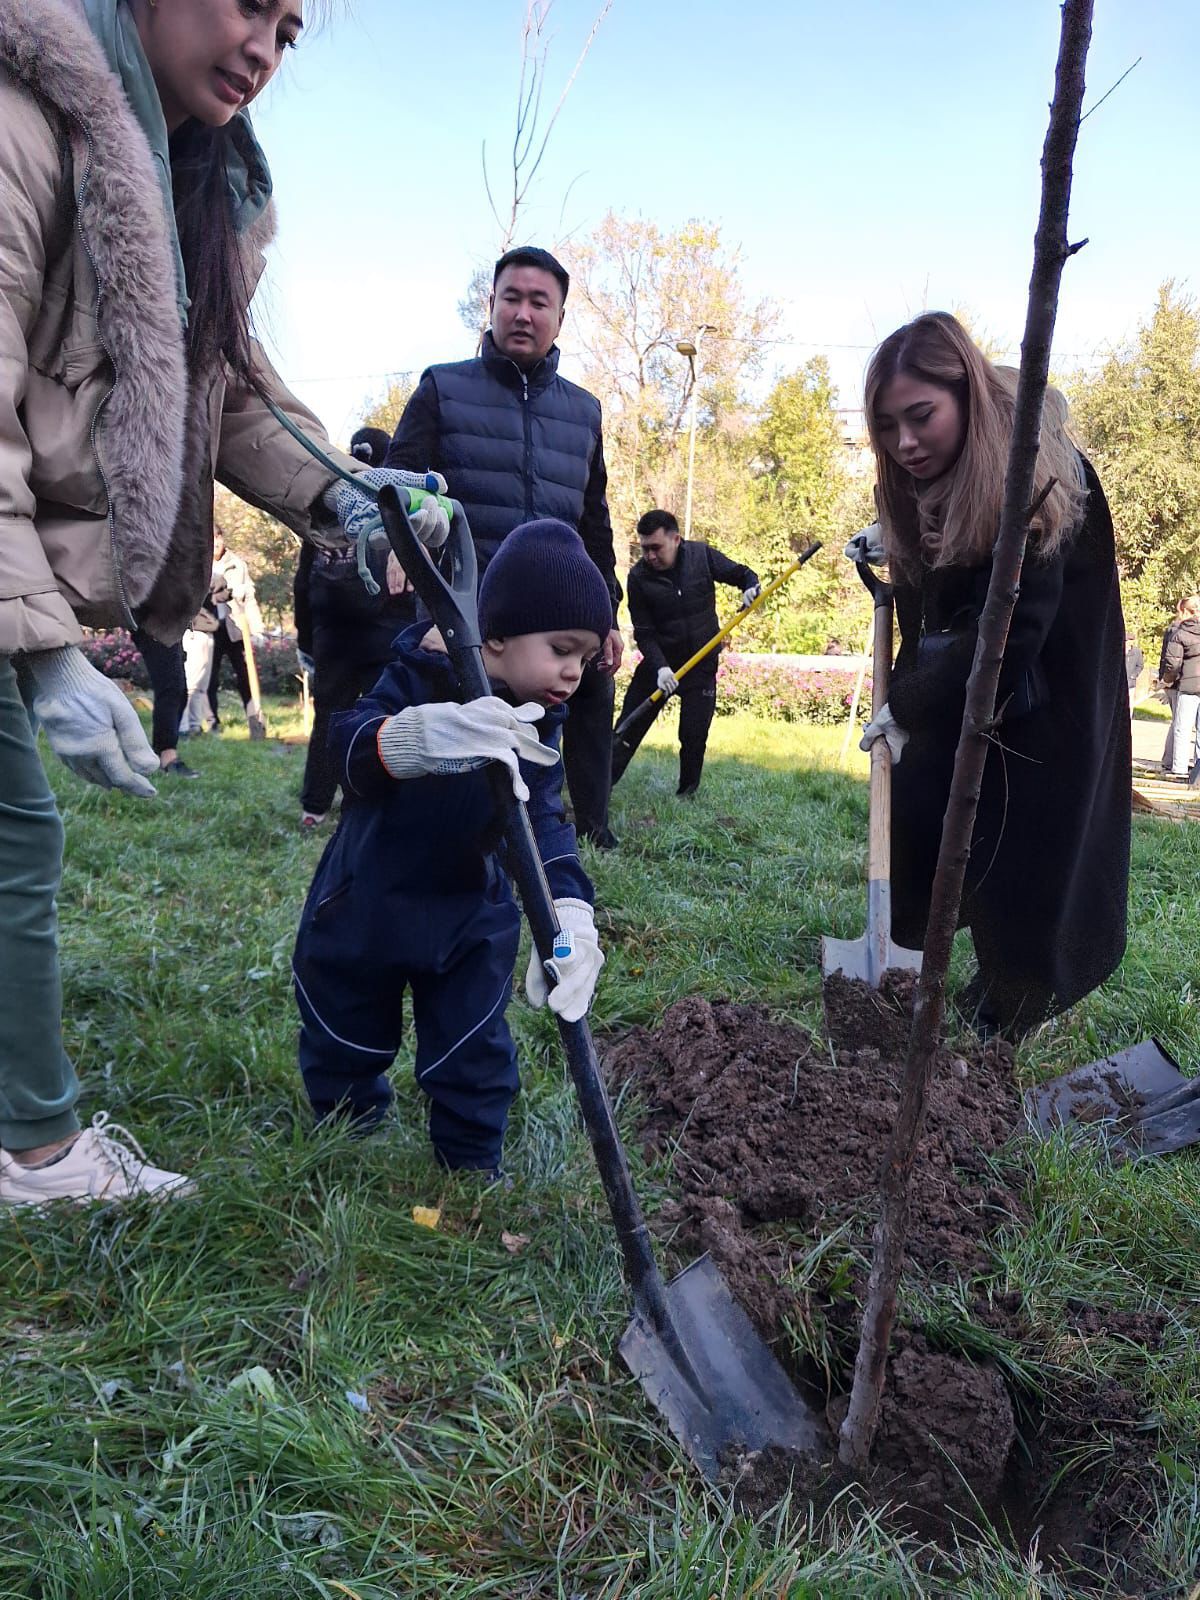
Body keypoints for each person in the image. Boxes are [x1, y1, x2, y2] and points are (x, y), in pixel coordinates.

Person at [0, 0, 444, 1205]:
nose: (264, 48)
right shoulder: (25, 114)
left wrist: (351, 490)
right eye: (250, 4)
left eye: (290, 32)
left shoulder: (197, 180)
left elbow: (231, 390)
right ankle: (35, 1152)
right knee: (16, 831)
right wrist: (42, 653)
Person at [292, 519, 611, 1177]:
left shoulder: (538, 724)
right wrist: (407, 741)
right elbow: (347, 745)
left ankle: (469, 1161)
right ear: (495, 635)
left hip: (469, 911)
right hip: (370, 894)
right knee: (344, 1026)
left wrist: (570, 920)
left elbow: (544, 825)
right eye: (561, 649)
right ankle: (346, 1134)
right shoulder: (417, 673)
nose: (574, 672)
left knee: (474, 1043)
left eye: (583, 657)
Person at [854, 312, 1130, 1038]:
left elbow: (1010, 635)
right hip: (977, 678)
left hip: (1050, 691)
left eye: (921, 417)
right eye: (887, 426)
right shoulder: (930, 470)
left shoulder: (1037, 470)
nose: (904, 443)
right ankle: (913, 975)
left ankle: (1010, 1015)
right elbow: (937, 611)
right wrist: (901, 552)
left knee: (1030, 858)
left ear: (968, 394)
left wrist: (909, 705)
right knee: (921, 810)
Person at [386, 246, 625, 848]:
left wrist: (610, 613)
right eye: (510, 299)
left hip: (556, 618)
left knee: (567, 720)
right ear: (490, 306)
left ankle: (583, 832)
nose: (523, 313)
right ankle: (453, 848)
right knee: (460, 752)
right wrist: (401, 542)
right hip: (463, 610)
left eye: (538, 302)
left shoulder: (584, 412)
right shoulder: (443, 388)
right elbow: (398, 482)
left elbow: (595, 523)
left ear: (560, 316)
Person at [295, 426, 417, 828]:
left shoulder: (330, 500)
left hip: (332, 634)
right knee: (388, 718)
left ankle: (314, 806)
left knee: (329, 718)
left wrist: (305, 638)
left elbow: (303, 579)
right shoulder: (398, 502)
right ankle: (384, 803)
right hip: (387, 629)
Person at [611, 509, 760, 796]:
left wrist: (750, 588)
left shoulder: (701, 556)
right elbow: (644, 632)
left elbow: (742, 574)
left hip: (701, 664)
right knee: (628, 727)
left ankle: (687, 794)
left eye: (656, 548)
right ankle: (601, 788)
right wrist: (660, 668)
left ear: (676, 539)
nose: (650, 556)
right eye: (645, 549)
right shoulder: (639, 577)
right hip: (660, 666)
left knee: (693, 735)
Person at [207, 526, 266, 738]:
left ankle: (255, 723)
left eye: (218, 538)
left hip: (235, 628)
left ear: (222, 539)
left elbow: (249, 599)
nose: (215, 543)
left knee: (245, 677)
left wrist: (257, 630)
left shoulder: (237, 564)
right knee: (209, 679)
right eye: (211, 539)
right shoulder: (199, 563)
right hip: (209, 628)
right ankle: (212, 724)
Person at [132, 626, 197, 778]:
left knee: (179, 692)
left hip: (169, 622)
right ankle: (166, 755)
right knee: (170, 688)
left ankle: (162, 749)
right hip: (156, 621)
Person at [1161, 595, 1200, 783]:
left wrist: (1168, 681)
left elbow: (1173, 664)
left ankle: (1180, 768)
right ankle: (1198, 770)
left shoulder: (1180, 633)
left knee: (1182, 728)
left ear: (1185, 611)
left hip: (1189, 685)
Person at [1157, 599, 1189, 771]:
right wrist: (1168, 680)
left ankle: (1170, 761)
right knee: (1179, 723)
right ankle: (1171, 762)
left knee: (1178, 723)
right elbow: (1173, 660)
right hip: (1179, 682)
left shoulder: (1174, 630)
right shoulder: (1178, 630)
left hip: (1178, 681)